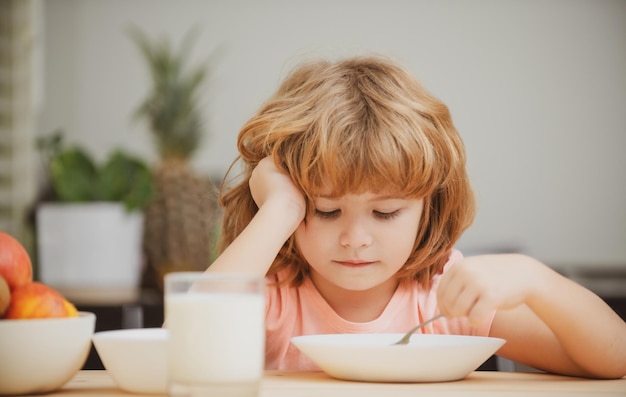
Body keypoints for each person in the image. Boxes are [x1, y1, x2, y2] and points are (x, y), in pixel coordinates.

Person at [207, 55, 626, 379]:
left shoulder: (443, 297)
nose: (355, 238)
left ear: (430, 206)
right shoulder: (272, 295)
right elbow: (183, 349)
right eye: (326, 210)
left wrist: (536, 279)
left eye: (385, 212)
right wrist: (279, 209)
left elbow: (615, 358)